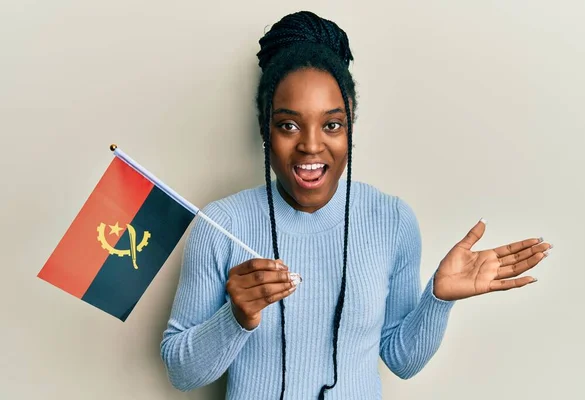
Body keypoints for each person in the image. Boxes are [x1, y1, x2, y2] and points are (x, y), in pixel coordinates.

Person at [159, 11, 551, 400]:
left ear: (350, 130)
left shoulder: (392, 220)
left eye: (331, 125)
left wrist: (437, 300)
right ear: (266, 129)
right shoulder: (221, 223)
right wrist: (236, 318)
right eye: (288, 125)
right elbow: (181, 373)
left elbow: (401, 359)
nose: (311, 145)